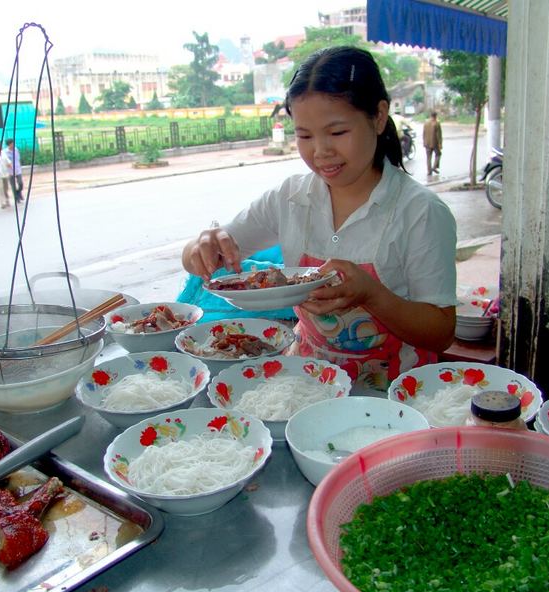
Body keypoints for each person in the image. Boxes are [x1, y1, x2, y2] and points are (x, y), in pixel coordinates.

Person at [181, 46, 457, 390]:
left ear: (379, 116)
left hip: (393, 392)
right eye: (304, 136)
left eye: (337, 132)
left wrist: (372, 295)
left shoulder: (420, 212)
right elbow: (201, 258)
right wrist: (202, 243)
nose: (320, 151)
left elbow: (442, 332)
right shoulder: (290, 199)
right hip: (307, 381)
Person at [0, 141, 12, 209]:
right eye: (0, 145)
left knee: (6, 188)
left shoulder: (3, 153)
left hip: (5, 174)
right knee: (1, 189)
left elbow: (8, 161)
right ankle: (2, 202)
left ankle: (7, 200)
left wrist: (10, 165)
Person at [423, 111, 443, 176]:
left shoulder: (426, 122)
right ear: (435, 116)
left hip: (427, 143)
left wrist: (424, 142)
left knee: (428, 157)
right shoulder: (437, 123)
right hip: (435, 143)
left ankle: (429, 171)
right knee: (438, 154)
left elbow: (424, 133)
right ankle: (434, 167)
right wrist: (440, 144)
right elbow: (439, 135)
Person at [6, 139, 24, 203]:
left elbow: (18, 158)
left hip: (18, 169)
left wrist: (19, 166)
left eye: (13, 143)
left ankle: (19, 192)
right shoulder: (5, 152)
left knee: (20, 183)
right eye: (11, 144)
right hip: (10, 171)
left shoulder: (16, 150)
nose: (13, 145)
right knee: (13, 185)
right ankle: (17, 198)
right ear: (8, 145)